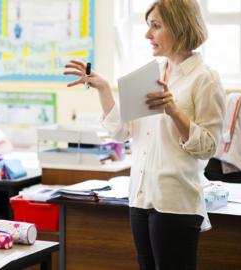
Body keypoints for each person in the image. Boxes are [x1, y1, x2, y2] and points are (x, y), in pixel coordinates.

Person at [64, 1, 225, 269]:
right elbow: (121, 131)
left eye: (156, 26)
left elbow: (208, 146)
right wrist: (104, 89)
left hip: (175, 200)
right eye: (148, 26)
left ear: (179, 26)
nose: (147, 34)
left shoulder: (204, 78)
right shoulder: (148, 74)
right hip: (139, 196)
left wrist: (173, 110)